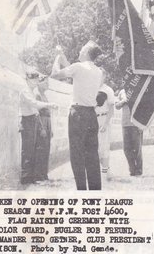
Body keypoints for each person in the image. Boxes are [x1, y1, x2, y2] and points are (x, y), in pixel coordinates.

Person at [51, 42, 103, 190]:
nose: (79, 51)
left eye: (81, 49)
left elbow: (55, 74)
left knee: (77, 155)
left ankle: (81, 190)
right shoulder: (97, 71)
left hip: (78, 114)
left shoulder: (78, 67)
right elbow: (75, 71)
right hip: (91, 115)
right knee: (92, 156)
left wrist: (57, 58)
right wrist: (63, 56)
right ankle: (95, 194)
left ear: (86, 52)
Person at [19, 69, 57, 185]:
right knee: (27, 150)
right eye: (32, 79)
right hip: (27, 121)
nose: (35, 81)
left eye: (36, 79)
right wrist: (49, 104)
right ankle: (26, 178)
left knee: (31, 150)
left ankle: (30, 178)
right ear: (27, 79)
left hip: (33, 120)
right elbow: (34, 104)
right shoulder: (25, 91)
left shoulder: (30, 91)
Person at [115, 89, 143, 176]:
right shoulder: (122, 91)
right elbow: (117, 106)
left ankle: (138, 170)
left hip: (136, 123)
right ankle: (132, 169)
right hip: (125, 124)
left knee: (137, 149)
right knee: (126, 149)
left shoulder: (139, 89)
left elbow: (144, 106)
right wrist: (123, 101)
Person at [95, 68, 115, 179]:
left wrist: (106, 124)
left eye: (101, 75)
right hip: (92, 120)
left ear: (104, 76)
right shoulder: (91, 87)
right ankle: (105, 172)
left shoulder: (108, 90)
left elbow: (111, 109)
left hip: (103, 119)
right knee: (94, 148)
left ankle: (105, 174)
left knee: (104, 147)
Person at [34, 75, 53, 182]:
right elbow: (36, 112)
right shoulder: (37, 95)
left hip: (48, 122)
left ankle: (44, 174)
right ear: (40, 83)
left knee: (46, 149)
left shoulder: (44, 95)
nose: (48, 85)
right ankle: (38, 176)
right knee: (40, 150)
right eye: (46, 83)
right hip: (41, 122)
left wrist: (51, 128)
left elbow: (49, 113)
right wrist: (41, 128)